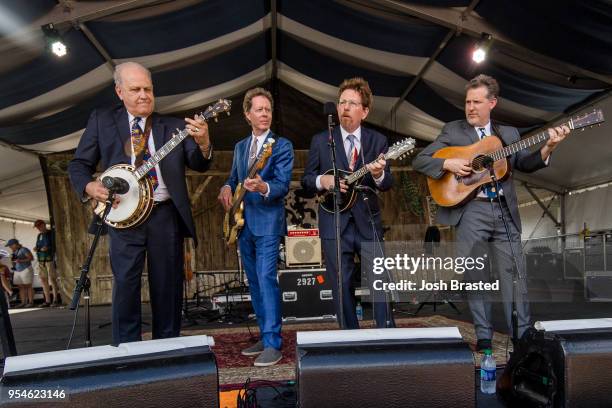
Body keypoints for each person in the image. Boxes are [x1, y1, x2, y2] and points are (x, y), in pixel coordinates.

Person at [412, 74, 569, 351]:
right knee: (476, 275)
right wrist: (448, 162)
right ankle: (484, 335)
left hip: (505, 210)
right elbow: (421, 160)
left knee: (515, 273)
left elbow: (525, 163)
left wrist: (549, 147)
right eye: (467, 102)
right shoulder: (453, 130)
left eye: (476, 102)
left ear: (492, 103)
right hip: (471, 210)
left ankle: (522, 333)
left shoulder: (508, 134)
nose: (470, 107)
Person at [68, 62, 213, 344]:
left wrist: (205, 142)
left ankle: (167, 349)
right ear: (119, 91)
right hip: (123, 218)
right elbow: (78, 165)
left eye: (148, 88)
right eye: (136, 89)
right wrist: (89, 186)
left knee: (168, 288)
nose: (144, 94)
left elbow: (199, 163)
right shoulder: (102, 120)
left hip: (164, 215)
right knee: (126, 286)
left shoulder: (172, 126)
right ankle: (127, 353)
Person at [302, 77, 395, 329]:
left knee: (380, 279)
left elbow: (387, 183)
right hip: (334, 221)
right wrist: (325, 180)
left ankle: (386, 333)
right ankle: (350, 335)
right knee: (340, 284)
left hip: (368, 219)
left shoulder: (377, 141)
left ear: (364, 111)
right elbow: (307, 181)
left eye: (352, 103)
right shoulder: (321, 140)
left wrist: (377, 174)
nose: (344, 107)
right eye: (342, 102)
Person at [218, 87, 293, 367]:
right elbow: (233, 176)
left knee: (266, 278)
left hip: (268, 223)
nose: (265, 114)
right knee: (255, 282)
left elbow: (282, 185)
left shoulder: (281, 145)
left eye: (268, 109)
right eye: (259, 109)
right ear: (248, 114)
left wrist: (263, 186)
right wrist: (227, 187)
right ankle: (265, 335)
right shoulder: (239, 147)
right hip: (242, 225)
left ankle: (274, 343)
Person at [33, 220, 59, 307]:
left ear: (44, 225)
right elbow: (38, 246)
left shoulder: (51, 233)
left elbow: (55, 246)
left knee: (52, 279)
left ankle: (55, 299)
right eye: (37, 227)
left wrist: (48, 248)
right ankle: (47, 300)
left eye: (39, 226)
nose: (38, 228)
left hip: (50, 259)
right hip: (41, 260)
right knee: (43, 280)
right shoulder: (39, 235)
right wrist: (36, 248)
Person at [6, 239, 34, 308]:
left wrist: (20, 260)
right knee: (20, 287)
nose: (10, 247)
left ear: (15, 244)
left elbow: (31, 258)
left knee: (28, 286)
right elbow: (14, 261)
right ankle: (23, 302)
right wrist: (12, 261)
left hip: (26, 269)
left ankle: (30, 302)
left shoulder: (24, 249)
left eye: (10, 245)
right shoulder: (14, 251)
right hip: (17, 270)